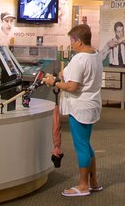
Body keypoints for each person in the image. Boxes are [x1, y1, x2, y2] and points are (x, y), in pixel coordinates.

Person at [43, 24, 103, 197]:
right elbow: (72, 76)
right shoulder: (95, 55)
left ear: (78, 41)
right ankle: (93, 182)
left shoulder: (80, 59)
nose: (70, 44)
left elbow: (72, 86)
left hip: (80, 107)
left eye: (71, 40)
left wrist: (53, 83)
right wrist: (61, 77)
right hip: (91, 104)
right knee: (86, 143)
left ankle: (83, 186)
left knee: (81, 145)